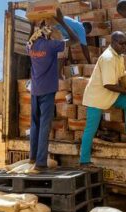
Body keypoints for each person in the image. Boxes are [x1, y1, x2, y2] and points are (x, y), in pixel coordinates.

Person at [79, 31, 126, 166]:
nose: (124, 46)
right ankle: (84, 160)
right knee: (91, 129)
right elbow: (108, 84)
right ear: (112, 43)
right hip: (97, 97)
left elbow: (121, 77)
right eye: (121, 43)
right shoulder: (108, 58)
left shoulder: (119, 56)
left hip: (110, 96)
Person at [26, 23, 77, 173]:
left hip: (35, 90)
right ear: (47, 33)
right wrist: (61, 22)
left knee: (35, 124)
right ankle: (41, 163)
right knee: (44, 126)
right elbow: (74, 40)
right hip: (47, 90)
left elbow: (29, 39)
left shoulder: (29, 46)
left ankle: (33, 157)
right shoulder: (50, 46)